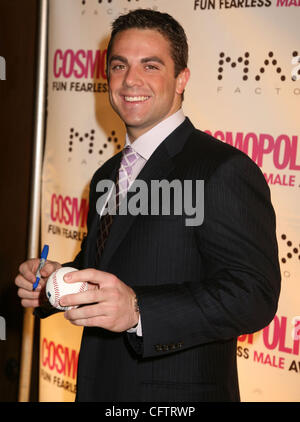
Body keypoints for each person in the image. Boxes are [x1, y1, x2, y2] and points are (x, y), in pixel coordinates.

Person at [15, 9, 281, 402]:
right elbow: (106, 263)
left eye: (150, 65)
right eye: (119, 65)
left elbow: (254, 295)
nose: (131, 80)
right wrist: (57, 283)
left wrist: (139, 311)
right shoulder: (107, 175)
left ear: (181, 79)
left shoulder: (223, 169)